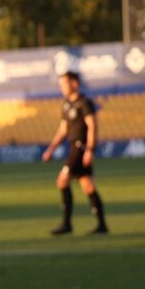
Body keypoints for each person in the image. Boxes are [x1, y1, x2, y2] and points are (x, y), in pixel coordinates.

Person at [42, 71, 108, 235]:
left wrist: (90, 150)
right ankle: (102, 225)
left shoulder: (84, 103)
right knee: (88, 185)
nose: (62, 87)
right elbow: (63, 130)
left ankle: (66, 224)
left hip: (80, 148)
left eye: (64, 84)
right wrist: (51, 149)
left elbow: (92, 126)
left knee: (62, 180)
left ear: (74, 84)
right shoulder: (66, 104)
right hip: (73, 147)